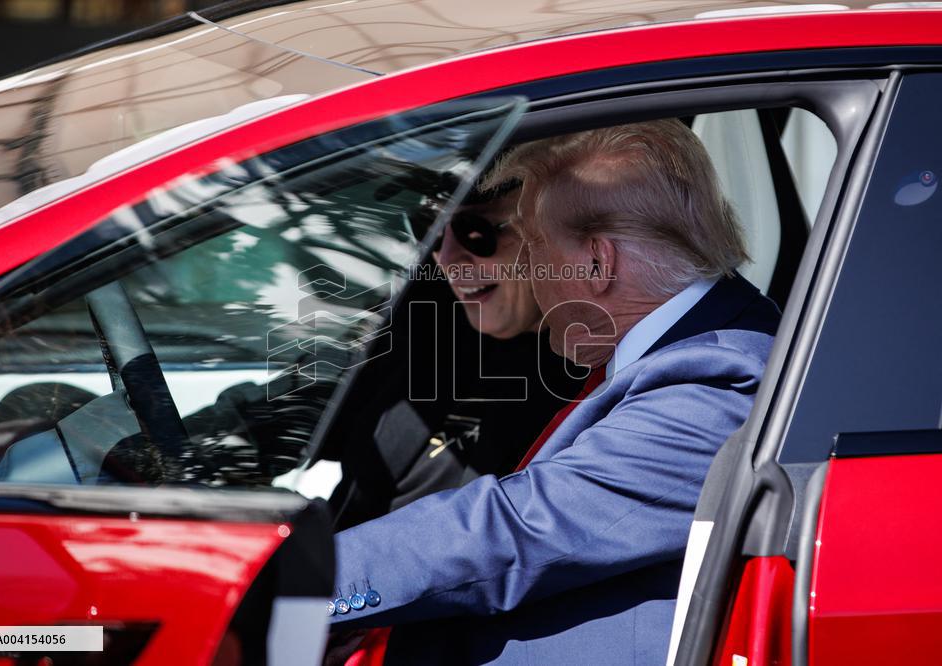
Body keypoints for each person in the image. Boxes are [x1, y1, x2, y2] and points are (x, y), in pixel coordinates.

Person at [325, 118, 782, 665]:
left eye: (535, 248)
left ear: (597, 262)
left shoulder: (716, 381)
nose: (529, 274)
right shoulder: (686, 352)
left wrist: (301, 582)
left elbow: (515, 531)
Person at [326, 179, 585, 528]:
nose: (446, 259)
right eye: (428, 227)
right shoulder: (427, 325)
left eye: (474, 231)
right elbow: (318, 419)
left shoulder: (600, 379)